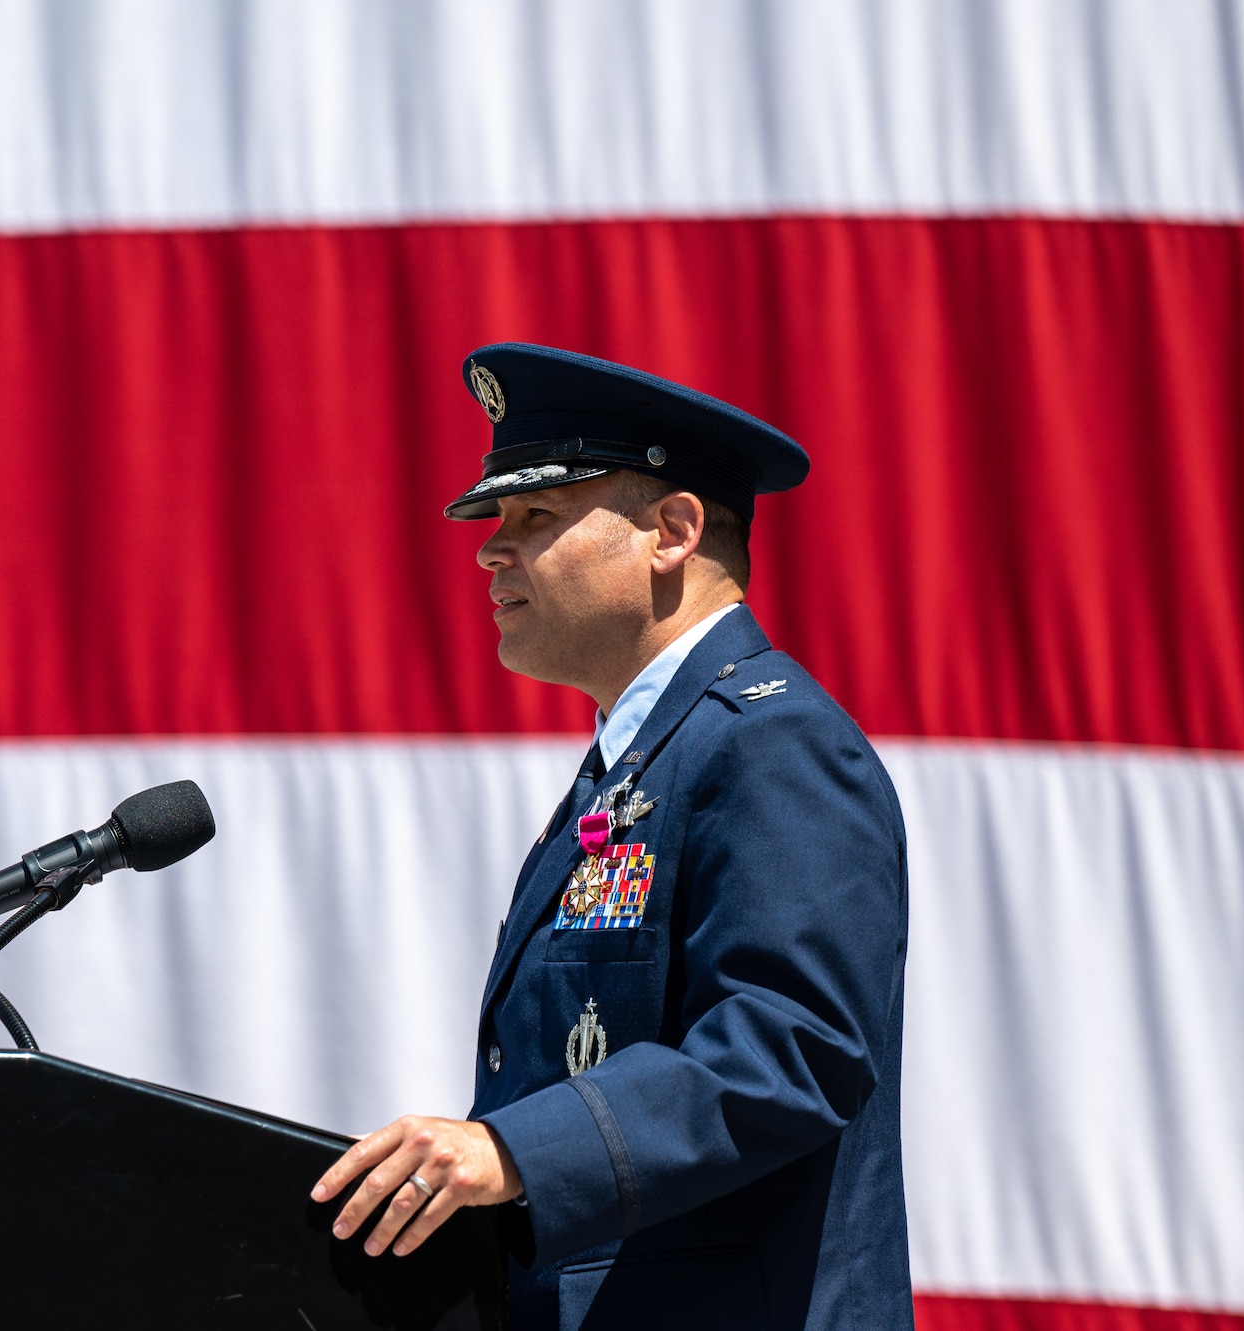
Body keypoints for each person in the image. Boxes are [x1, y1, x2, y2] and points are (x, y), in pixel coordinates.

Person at [311, 343, 913, 1329]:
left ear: (671, 531)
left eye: (535, 516)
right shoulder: (645, 759)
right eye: (493, 521)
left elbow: (790, 1046)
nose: (489, 549)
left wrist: (512, 1154)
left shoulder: (772, 743)